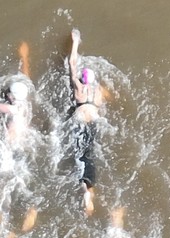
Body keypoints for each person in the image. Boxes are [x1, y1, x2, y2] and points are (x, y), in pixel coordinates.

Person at [68, 29, 107, 215]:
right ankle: (89, 186)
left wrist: (75, 42)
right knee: (89, 152)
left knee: (79, 154)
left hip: (80, 117)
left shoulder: (79, 87)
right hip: (94, 118)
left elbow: (72, 63)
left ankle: (84, 188)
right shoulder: (98, 91)